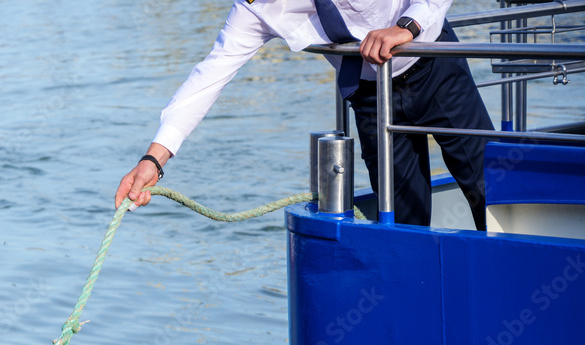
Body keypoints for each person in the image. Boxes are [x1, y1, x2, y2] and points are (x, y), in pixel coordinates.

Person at [114, 0, 494, 230]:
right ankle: (418, 322)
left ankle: (512, 291)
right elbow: (208, 77)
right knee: (400, 217)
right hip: (369, 94)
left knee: (487, 188)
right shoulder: (255, 7)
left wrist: (405, 27)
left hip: (435, 65)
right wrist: (153, 160)